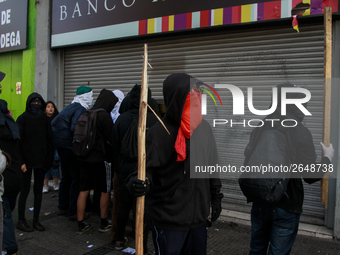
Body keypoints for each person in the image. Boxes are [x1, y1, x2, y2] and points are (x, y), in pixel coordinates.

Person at [127, 73, 223, 255]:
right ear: (175, 97)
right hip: (168, 222)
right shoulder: (159, 133)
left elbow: (212, 165)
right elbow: (143, 172)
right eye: (190, 92)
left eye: (197, 92)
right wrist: (137, 183)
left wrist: (216, 195)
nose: (196, 97)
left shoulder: (204, 129)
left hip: (198, 221)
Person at [244, 83, 334, 255]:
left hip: (259, 200)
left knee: (256, 249)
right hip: (286, 205)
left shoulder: (261, 126)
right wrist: (327, 158)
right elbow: (310, 175)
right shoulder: (300, 130)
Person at [112, 85, 158, 253]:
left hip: (125, 170)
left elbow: (115, 145)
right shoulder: (154, 120)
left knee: (124, 205)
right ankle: (143, 247)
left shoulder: (121, 119)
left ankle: (118, 239)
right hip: (147, 171)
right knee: (145, 209)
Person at [76, 89, 118, 235]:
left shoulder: (86, 112)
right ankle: (103, 222)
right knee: (105, 190)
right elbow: (112, 138)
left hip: (83, 157)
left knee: (83, 190)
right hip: (101, 158)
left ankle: (81, 224)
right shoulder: (103, 115)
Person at [51, 86, 93, 220]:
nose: (92, 99)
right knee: (76, 178)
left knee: (66, 177)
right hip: (70, 148)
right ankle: (73, 211)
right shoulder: (79, 109)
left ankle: (63, 207)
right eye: (91, 96)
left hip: (61, 147)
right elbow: (75, 127)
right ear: (86, 97)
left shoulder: (70, 107)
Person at [16, 93, 54, 232]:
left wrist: (48, 161)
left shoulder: (44, 119)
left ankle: (36, 220)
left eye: (39, 103)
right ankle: (21, 220)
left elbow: (50, 141)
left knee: (38, 192)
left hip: (41, 162)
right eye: (34, 103)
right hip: (26, 163)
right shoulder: (22, 119)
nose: (36, 106)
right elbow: (17, 143)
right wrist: (21, 162)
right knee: (24, 191)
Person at [0, 98, 25, 255]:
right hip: (16, 176)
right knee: (8, 209)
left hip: (5, 178)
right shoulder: (12, 126)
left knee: (6, 214)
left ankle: (10, 247)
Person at [43, 101, 60, 193]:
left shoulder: (57, 119)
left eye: (52, 107)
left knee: (55, 164)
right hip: (45, 145)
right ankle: (45, 185)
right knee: (46, 165)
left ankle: (56, 184)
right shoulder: (42, 119)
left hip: (55, 144)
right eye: (48, 106)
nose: (50, 108)